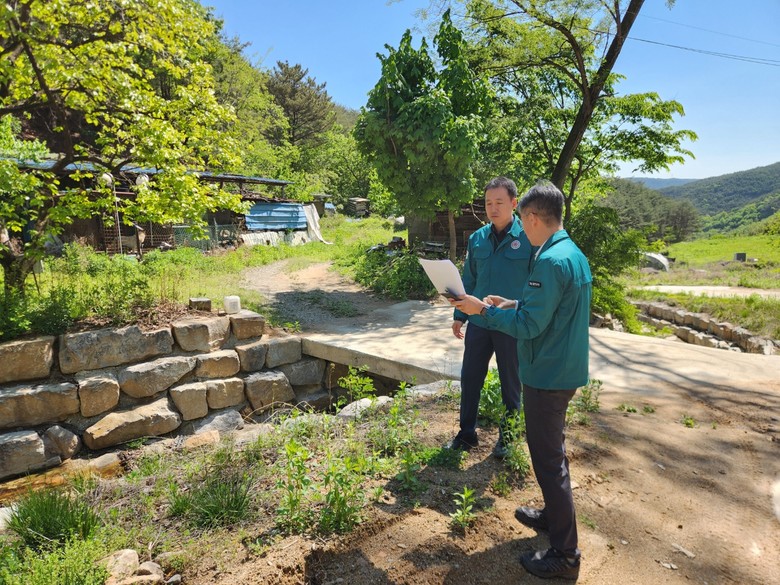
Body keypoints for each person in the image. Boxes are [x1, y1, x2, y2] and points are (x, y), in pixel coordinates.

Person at [451, 181, 592, 581]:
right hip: (561, 366)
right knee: (552, 452)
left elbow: (529, 326)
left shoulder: (549, 260)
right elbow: (547, 308)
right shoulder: (570, 253)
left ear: (529, 217)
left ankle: (565, 554)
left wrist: (482, 311)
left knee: (548, 459)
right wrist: (511, 302)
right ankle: (553, 515)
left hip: (548, 372)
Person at [449, 177, 532, 458]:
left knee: (511, 382)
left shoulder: (529, 238)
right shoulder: (477, 238)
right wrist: (460, 314)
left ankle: (507, 438)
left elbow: (535, 283)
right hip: (479, 322)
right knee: (470, 378)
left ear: (514, 203)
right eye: (488, 203)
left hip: (511, 324)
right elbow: (469, 279)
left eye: (499, 202)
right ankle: (466, 434)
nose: (493, 208)